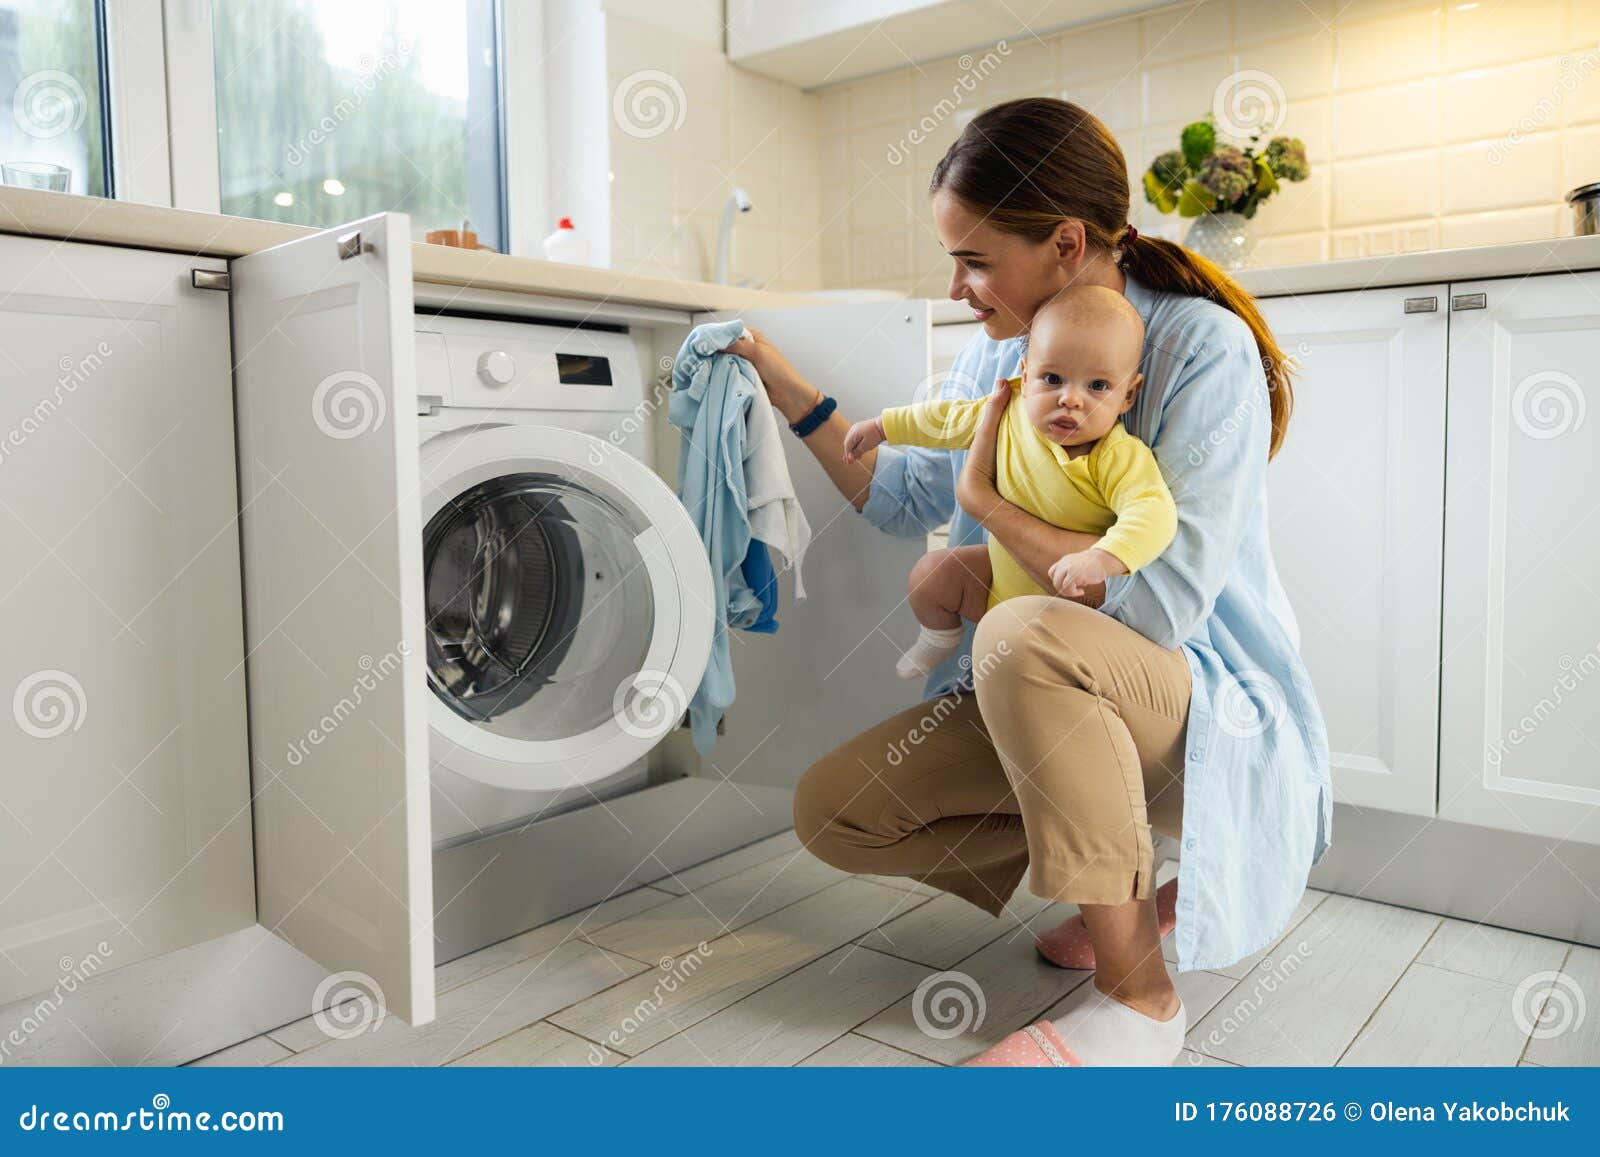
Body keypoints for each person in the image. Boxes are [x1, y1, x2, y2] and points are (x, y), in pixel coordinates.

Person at [723, 97, 1330, 1067]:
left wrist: (992, 511)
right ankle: (1119, 884)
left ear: (1063, 243)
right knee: (840, 810)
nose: (959, 286)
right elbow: (894, 491)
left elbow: (1164, 604)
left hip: (1195, 697)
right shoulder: (1002, 347)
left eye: (973, 259)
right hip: (1045, 677)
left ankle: (1138, 997)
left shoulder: (1198, 348)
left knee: (1019, 634)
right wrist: (775, 378)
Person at [841, 285, 1176, 680]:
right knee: (931, 575)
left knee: (1032, 668)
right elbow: (947, 419)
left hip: (1066, 617)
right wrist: (884, 427)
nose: (1071, 399)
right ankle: (940, 636)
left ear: (1128, 396)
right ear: (1024, 373)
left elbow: (1154, 512)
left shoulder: (1116, 455)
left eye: (1098, 386)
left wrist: (1103, 557)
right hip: (998, 583)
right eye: (1052, 378)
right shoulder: (1009, 412)